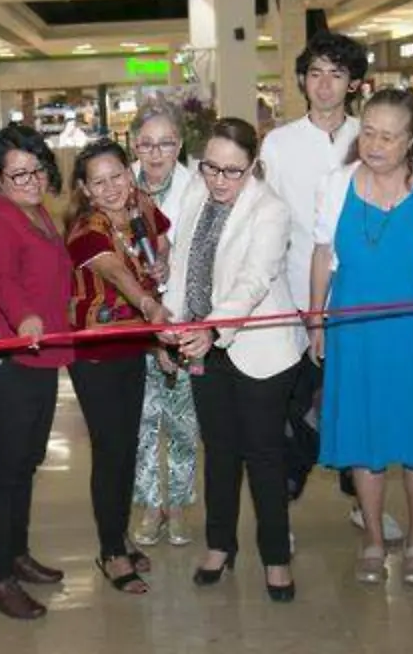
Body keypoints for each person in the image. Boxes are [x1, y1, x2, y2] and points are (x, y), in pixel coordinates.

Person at [310, 88, 413, 587]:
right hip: (357, 328)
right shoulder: (336, 183)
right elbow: (323, 254)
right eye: (368, 132)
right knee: (365, 436)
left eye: (388, 136)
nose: (375, 144)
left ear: (410, 142)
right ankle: (374, 540)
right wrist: (315, 321)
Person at [260, 32, 403, 544]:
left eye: (337, 74)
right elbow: (267, 219)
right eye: (316, 73)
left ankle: (363, 504)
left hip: (363, 298)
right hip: (295, 294)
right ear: (302, 79)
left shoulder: (369, 140)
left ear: (354, 83)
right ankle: (283, 508)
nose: (325, 85)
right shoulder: (278, 143)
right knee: (291, 408)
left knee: (360, 401)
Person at [163, 117, 302, 602]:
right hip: (204, 346)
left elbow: (253, 279)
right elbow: (183, 265)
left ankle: (276, 558)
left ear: (253, 167)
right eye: (211, 168)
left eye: (233, 172)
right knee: (219, 451)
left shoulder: (271, 209)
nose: (219, 181)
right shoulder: (195, 195)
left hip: (259, 349)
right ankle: (220, 544)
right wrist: (175, 328)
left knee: (264, 455)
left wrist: (213, 328)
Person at [0, 124, 71, 619]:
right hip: (8, 360)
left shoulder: (38, 213)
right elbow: (4, 280)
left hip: (41, 356)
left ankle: (16, 552)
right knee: (3, 471)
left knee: (25, 464)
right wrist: (23, 316)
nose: (30, 180)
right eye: (17, 174)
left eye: (36, 169)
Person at [65, 139, 171, 595]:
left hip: (133, 346)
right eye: (98, 182)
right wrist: (149, 303)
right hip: (95, 354)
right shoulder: (86, 228)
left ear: (129, 175)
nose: (110, 189)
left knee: (126, 446)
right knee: (110, 450)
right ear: (86, 190)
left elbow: (161, 241)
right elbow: (115, 273)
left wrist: (163, 261)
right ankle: (110, 550)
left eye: (116, 177)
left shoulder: (142, 206)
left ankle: (119, 533)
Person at [127, 101, 198, 549]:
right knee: (143, 422)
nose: (156, 154)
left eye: (166, 143)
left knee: (183, 424)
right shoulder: (118, 185)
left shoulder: (197, 189)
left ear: (180, 144)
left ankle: (178, 508)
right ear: (135, 145)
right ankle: (151, 506)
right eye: (147, 144)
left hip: (184, 321)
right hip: (132, 323)